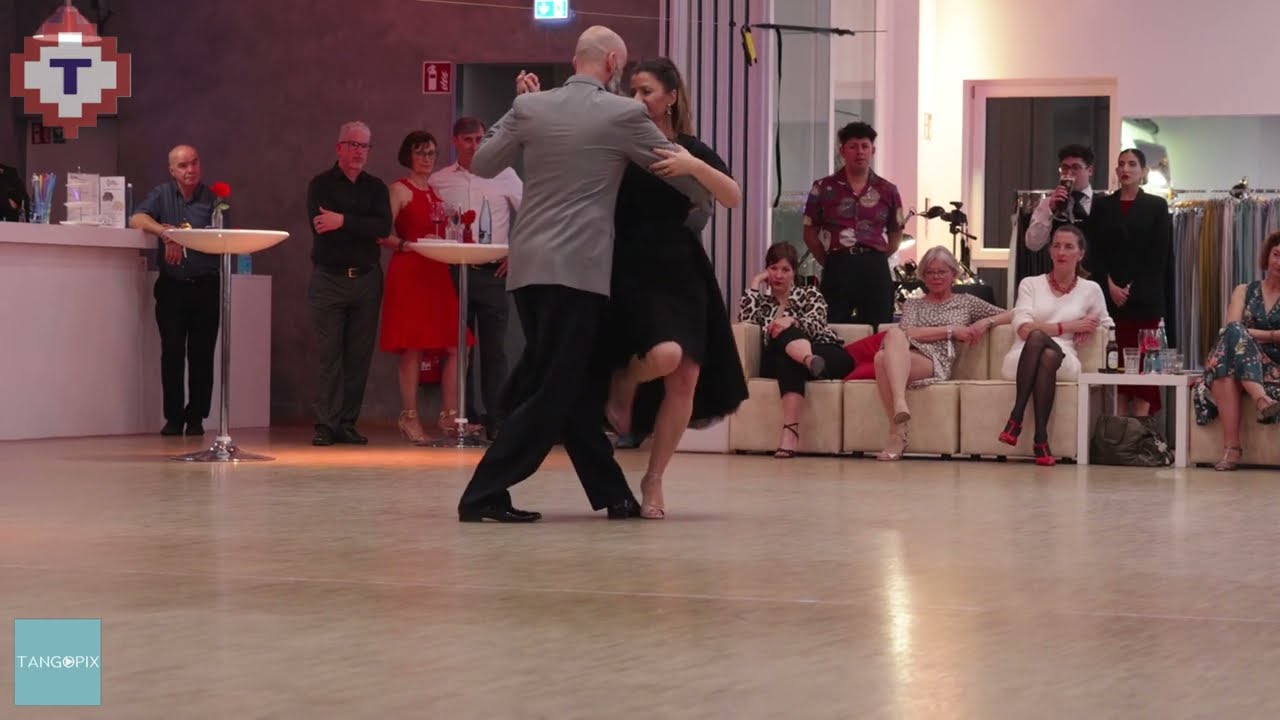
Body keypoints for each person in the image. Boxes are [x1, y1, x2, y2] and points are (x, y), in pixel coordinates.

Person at [454, 26, 710, 523]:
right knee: (554, 388)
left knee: (564, 382)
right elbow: (674, 172)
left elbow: (483, 162)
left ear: (576, 59)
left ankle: (612, 493)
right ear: (614, 62)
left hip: (527, 268)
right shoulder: (624, 114)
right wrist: (707, 189)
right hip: (579, 271)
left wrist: (517, 107)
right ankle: (482, 492)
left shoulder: (530, 108)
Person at [597, 57, 747, 519]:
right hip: (631, 265)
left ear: (670, 98)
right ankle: (622, 380)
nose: (638, 100)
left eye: (646, 92)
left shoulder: (688, 148)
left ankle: (654, 479)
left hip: (683, 268)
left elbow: (732, 194)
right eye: (632, 92)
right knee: (664, 355)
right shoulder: (620, 145)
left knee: (686, 376)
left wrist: (691, 165)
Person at [377, 130, 475, 444]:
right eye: (421, 153)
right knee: (412, 347)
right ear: (409, 156)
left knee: (457, 344)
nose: (427, 159)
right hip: (409, 271)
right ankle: (409, 417)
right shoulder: (399, 189)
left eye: (432, 153)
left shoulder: (434, 192)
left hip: (435, 271)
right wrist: (406, 245)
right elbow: (381, 234)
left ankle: (449, 416)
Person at [429, 116, 523, 442]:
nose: (474, 145)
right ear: (455, 142)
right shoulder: (439, 180)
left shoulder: (505, 175)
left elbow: (531, 213)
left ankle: (497, 420)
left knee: (495, 351)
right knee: (460, 350)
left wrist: (516, 253)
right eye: (468, 139)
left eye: (480, 139)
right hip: (456, 274)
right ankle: (465, 419)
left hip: (494, 273)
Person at [872, 246, 1012, 460]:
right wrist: (950, 330)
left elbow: (1014, 313)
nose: (935, 277)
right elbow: (907, 332)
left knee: (882, 357)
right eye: (930, 272)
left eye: (941, 272)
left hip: (936, 360)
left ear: (953, 274)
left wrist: (986, 321)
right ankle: (899, 409)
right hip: (905, 355)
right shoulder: (913, 304)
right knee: (889, 343)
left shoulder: (966, 301)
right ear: (923, 276)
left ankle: (897, 432)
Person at [305, 121, 392, 446]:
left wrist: (342, 220)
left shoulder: (376, 188)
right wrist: (360, 226)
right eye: (352, 145)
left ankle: (347, 423)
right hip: (329, 279)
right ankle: (325, 425)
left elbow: (382, 227)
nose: (358, 151)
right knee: (330, 356)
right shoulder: (320, 185)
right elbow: (319, 228)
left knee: (359, 356)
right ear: (338, 147)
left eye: (364, 146)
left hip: (367, 280)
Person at [998, 225, 1112, 466]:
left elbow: (1108, 327)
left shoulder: (1091, 289)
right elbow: (1024, 329)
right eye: (1057, 245)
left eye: (1069, 246)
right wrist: (1071, 326)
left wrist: (1091, 328)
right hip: (1021, 356)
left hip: (1066, 358)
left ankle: (1016, 419)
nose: (1061, 251)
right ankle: (1040, 439)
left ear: (1080, 254)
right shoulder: (1030, 284)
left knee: (1048, 350)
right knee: (1040, 345)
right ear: (1049, 251)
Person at [129, 144, 221, 436]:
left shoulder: (213, 199)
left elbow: (221, 237)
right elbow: (137, 218)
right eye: (183, 166)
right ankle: (173, 418)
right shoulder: (161, 194)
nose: (190, 170)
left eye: (194, 163)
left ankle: (196, 418)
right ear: (172, 171)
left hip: (205, 286)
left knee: (202, 354)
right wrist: (165, 234)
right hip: (171, 289)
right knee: (171, 352)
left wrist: (183, 240)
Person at [739, 242, 854, 458]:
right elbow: (745, 321)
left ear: (794, 272)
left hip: (824, 350)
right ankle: (808, 360)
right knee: (783, 339)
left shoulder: (810, 293)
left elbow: (817, 324)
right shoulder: (762, 303)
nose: (779, 275)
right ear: (766, 270)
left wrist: (792, 320)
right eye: (773, 268)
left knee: (788, 339)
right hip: (779, 358)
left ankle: (790, 435)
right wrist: (755, 283)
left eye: (785, 269)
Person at [1090, 148, 1175, 417]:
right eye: (1121, 164)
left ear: (1143, 171)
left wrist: (1132, 289)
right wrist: (1110, 286)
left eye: (1132, 164)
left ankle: (1140, 435)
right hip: (1110, 299)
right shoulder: (1102, 205)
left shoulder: (1156, 206)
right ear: (1116, 171)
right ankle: (1119, 435)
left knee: (1143, 372)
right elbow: (1094, 251)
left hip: (1146, 300)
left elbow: (1159, 256)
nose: (1126, 169)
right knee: (1118, 373)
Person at [802, 121, 904, 330]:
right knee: (832, 327)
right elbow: (809, 232)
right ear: (842, 151)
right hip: (838, 265)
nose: (859, 152)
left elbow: (896, 233)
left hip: (874, 267)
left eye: (864, 146)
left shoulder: (888, 190)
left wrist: (876, 258)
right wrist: (828, 261)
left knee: (879, 330)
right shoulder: (823, 188)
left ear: (872, 150)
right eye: (853, 146)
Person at [1192, 232, 1280, 470]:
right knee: (1231, 342)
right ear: (1267, 256)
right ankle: (1261, 399)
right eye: (1276, 255)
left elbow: (1237, 331)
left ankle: (1232, 450)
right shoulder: (1243, 290)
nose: (1279, 263)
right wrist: (1271, 334)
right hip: (1242, 358)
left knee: (1228, 354)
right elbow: (1231, 326)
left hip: (1275, 364)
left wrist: (1258, 335)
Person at [1024, 144, 1106, 276]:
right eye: (1065, 168)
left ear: (1089, 170)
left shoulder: (1104, 203)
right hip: (1060, 278)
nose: (1069, 174)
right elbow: (1033, 243)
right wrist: (1050, 209)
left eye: (1076, 168)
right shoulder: (1048, 203)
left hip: (1096, 279)